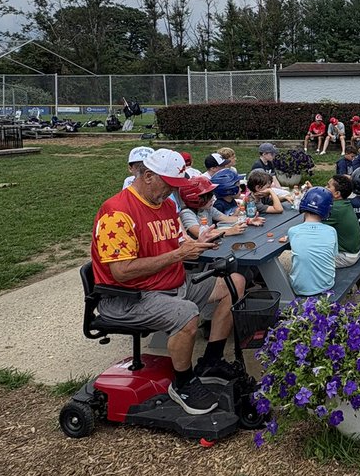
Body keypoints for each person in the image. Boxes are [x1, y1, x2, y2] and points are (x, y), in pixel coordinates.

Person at [92, 148, 248, 416]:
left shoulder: (164, 206)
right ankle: (183, 382)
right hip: (129, 297)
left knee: (235, 282)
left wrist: (200, 243)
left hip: (172, 285)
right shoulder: (116, 213)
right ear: (149, 176)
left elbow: (179, 241)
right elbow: (122, 272)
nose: (172, 192)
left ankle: (211, 360)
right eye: (169, 185)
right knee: (187, 314)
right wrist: (178, 254)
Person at [288, 187, 337, 295]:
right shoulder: (331, 231)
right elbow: (333, 255)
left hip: (299, 287)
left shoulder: (293, 231)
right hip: (326, 284)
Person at [177, 177, 246, 239]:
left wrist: (248, 220)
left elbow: (227, 219)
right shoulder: (187, 213)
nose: (212, 199)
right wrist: (230, 231)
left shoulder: (208, 209)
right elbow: (199, 233)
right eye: (209, 197)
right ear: (196, 199)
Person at [326, 174, 360, 267]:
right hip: (354, 251)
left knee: (309, 257)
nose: (325, 188)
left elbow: (310, 223)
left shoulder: (335, 209)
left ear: (337, 194)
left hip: (346, 257)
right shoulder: (344, 203)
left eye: (328, 186)